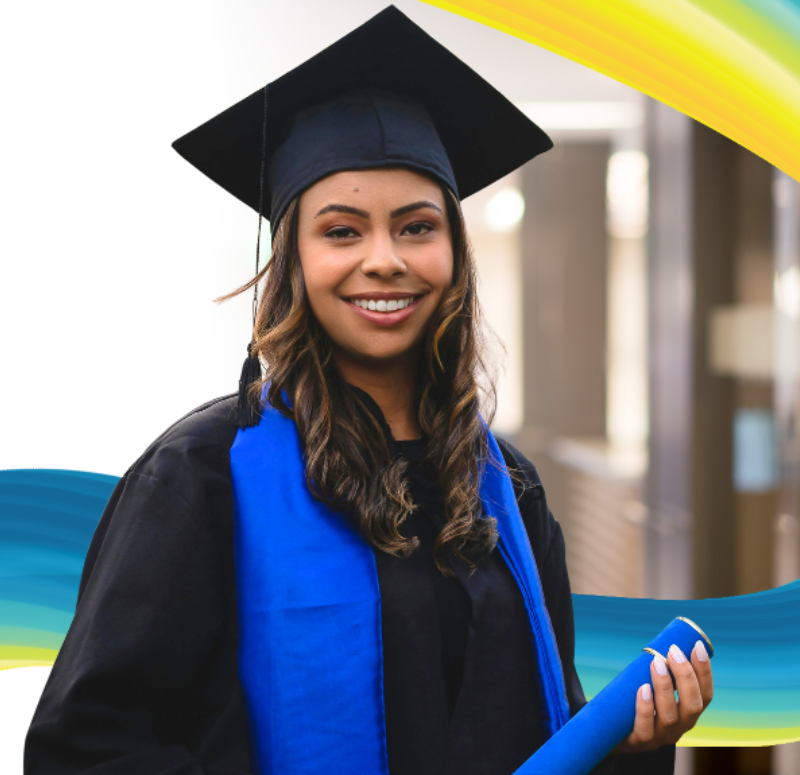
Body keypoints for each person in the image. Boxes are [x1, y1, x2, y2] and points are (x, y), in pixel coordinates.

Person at [24, 6, 712, 775]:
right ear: (294, 258)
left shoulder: (506, 485)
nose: (384, 259)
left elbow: (545, 734)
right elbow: (87, 748)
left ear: (454, 250)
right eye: (342, 230)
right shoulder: (202, 473)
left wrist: (633, 745)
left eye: (417, 226)